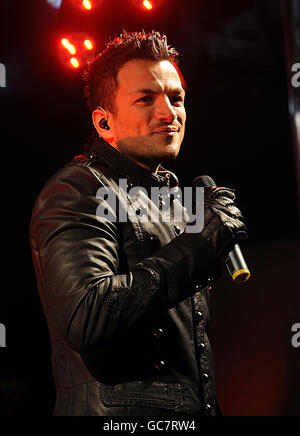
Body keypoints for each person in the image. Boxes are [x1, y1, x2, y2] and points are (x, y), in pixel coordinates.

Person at [29, 30, 247, 416]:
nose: (169, 113)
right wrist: (199, 244)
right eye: (146, 98)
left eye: (176, 98)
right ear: (104, 123)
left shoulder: (172, 198)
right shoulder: (77, 189)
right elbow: (86, 315)